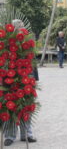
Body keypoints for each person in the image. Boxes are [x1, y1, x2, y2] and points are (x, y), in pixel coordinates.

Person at [4, 19, 37, 147]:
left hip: (26, 78)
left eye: (23, 26)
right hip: (10, 79)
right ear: (13, 29)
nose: (22, 29)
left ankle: (26, 134)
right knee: (10, 107)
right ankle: (10, 136)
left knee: (26, 107)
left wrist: (34, 77)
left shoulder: (28, 41)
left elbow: (32, 60)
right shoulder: (7, 42)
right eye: (19, 26)